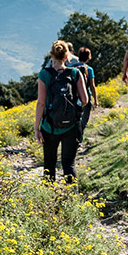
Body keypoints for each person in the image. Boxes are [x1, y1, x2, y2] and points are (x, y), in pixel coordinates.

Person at [36, 39, 89, 182]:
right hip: (72, 126)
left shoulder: (44, 74)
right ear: (67, 57)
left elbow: (41, 103)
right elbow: (85, 100)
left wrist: (37, 128)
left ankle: (48, 199)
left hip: (49, 126)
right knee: (69, 165)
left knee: (49, 165)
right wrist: (72, 109)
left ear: (51, 55)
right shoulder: (75, 73)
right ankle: (72, 198)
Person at [74, 47, 97, 141]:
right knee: (84, 118)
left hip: (74, 96)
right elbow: (92, 85)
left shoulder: (72, 67)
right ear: (89, 57)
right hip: (86, 95)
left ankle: (73, 137)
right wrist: (96, 100)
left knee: (75, 117)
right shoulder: (89, 69)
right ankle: (79, 138)